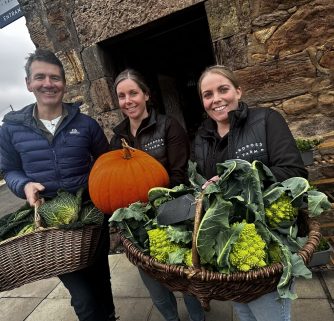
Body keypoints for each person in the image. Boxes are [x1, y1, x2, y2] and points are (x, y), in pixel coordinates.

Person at [0, 48, 117, 321]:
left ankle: (110, 316)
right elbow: (10, 170)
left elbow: (106, 164)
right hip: (52, 221)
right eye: (40, 77)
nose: (48, 84)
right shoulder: (10, 130)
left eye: (55, 77)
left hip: (90, 216)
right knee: (84, 298)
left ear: (64, 83)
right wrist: (24, 185)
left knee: (101, 280)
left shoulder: (86, 125)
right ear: (29, 83)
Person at [192, 65, 308, 321]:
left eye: (223, 89)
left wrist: (235, 179)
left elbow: (294, 172)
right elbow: (202, 185)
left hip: (268, 243)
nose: (216, 99)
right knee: (244, 313)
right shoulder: (201, 138)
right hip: (228, 244)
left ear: (238, 91)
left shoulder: (266, 119)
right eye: (207, 94)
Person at [110, 68, 205, 321]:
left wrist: (152, 205)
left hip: (172, 214)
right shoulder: (118, 137)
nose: (128, 101)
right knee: (154, 283)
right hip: (137, 224)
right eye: (122, 96)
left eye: (133, 93)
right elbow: (112, 180)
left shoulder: (167, 126)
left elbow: (179, 174)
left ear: (146, 95)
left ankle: (198, 319)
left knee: (183, 276)